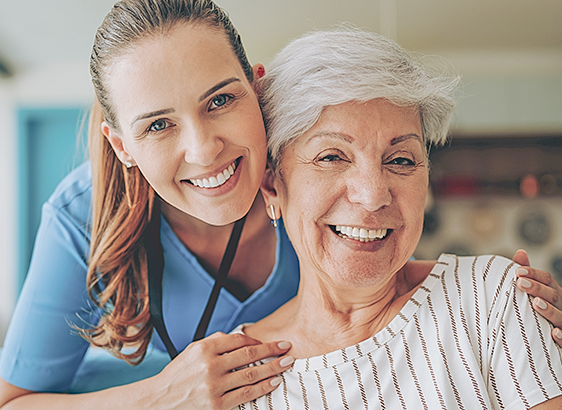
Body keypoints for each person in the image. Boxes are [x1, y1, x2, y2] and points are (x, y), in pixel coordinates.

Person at [0, 0, 560, 409]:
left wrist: (475, 288)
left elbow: (366, 259)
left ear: (256, 90)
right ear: (123, 147)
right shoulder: (83, 215)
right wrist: (162, 395)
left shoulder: (295, 173)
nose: (204, 149)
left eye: (220, 100)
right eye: (158, 125)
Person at [235, 28, 562, 409]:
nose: (373, 195)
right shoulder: (232, 377)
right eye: (332, 157)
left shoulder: (489, 297)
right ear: (272, 184)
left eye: (401, 160)